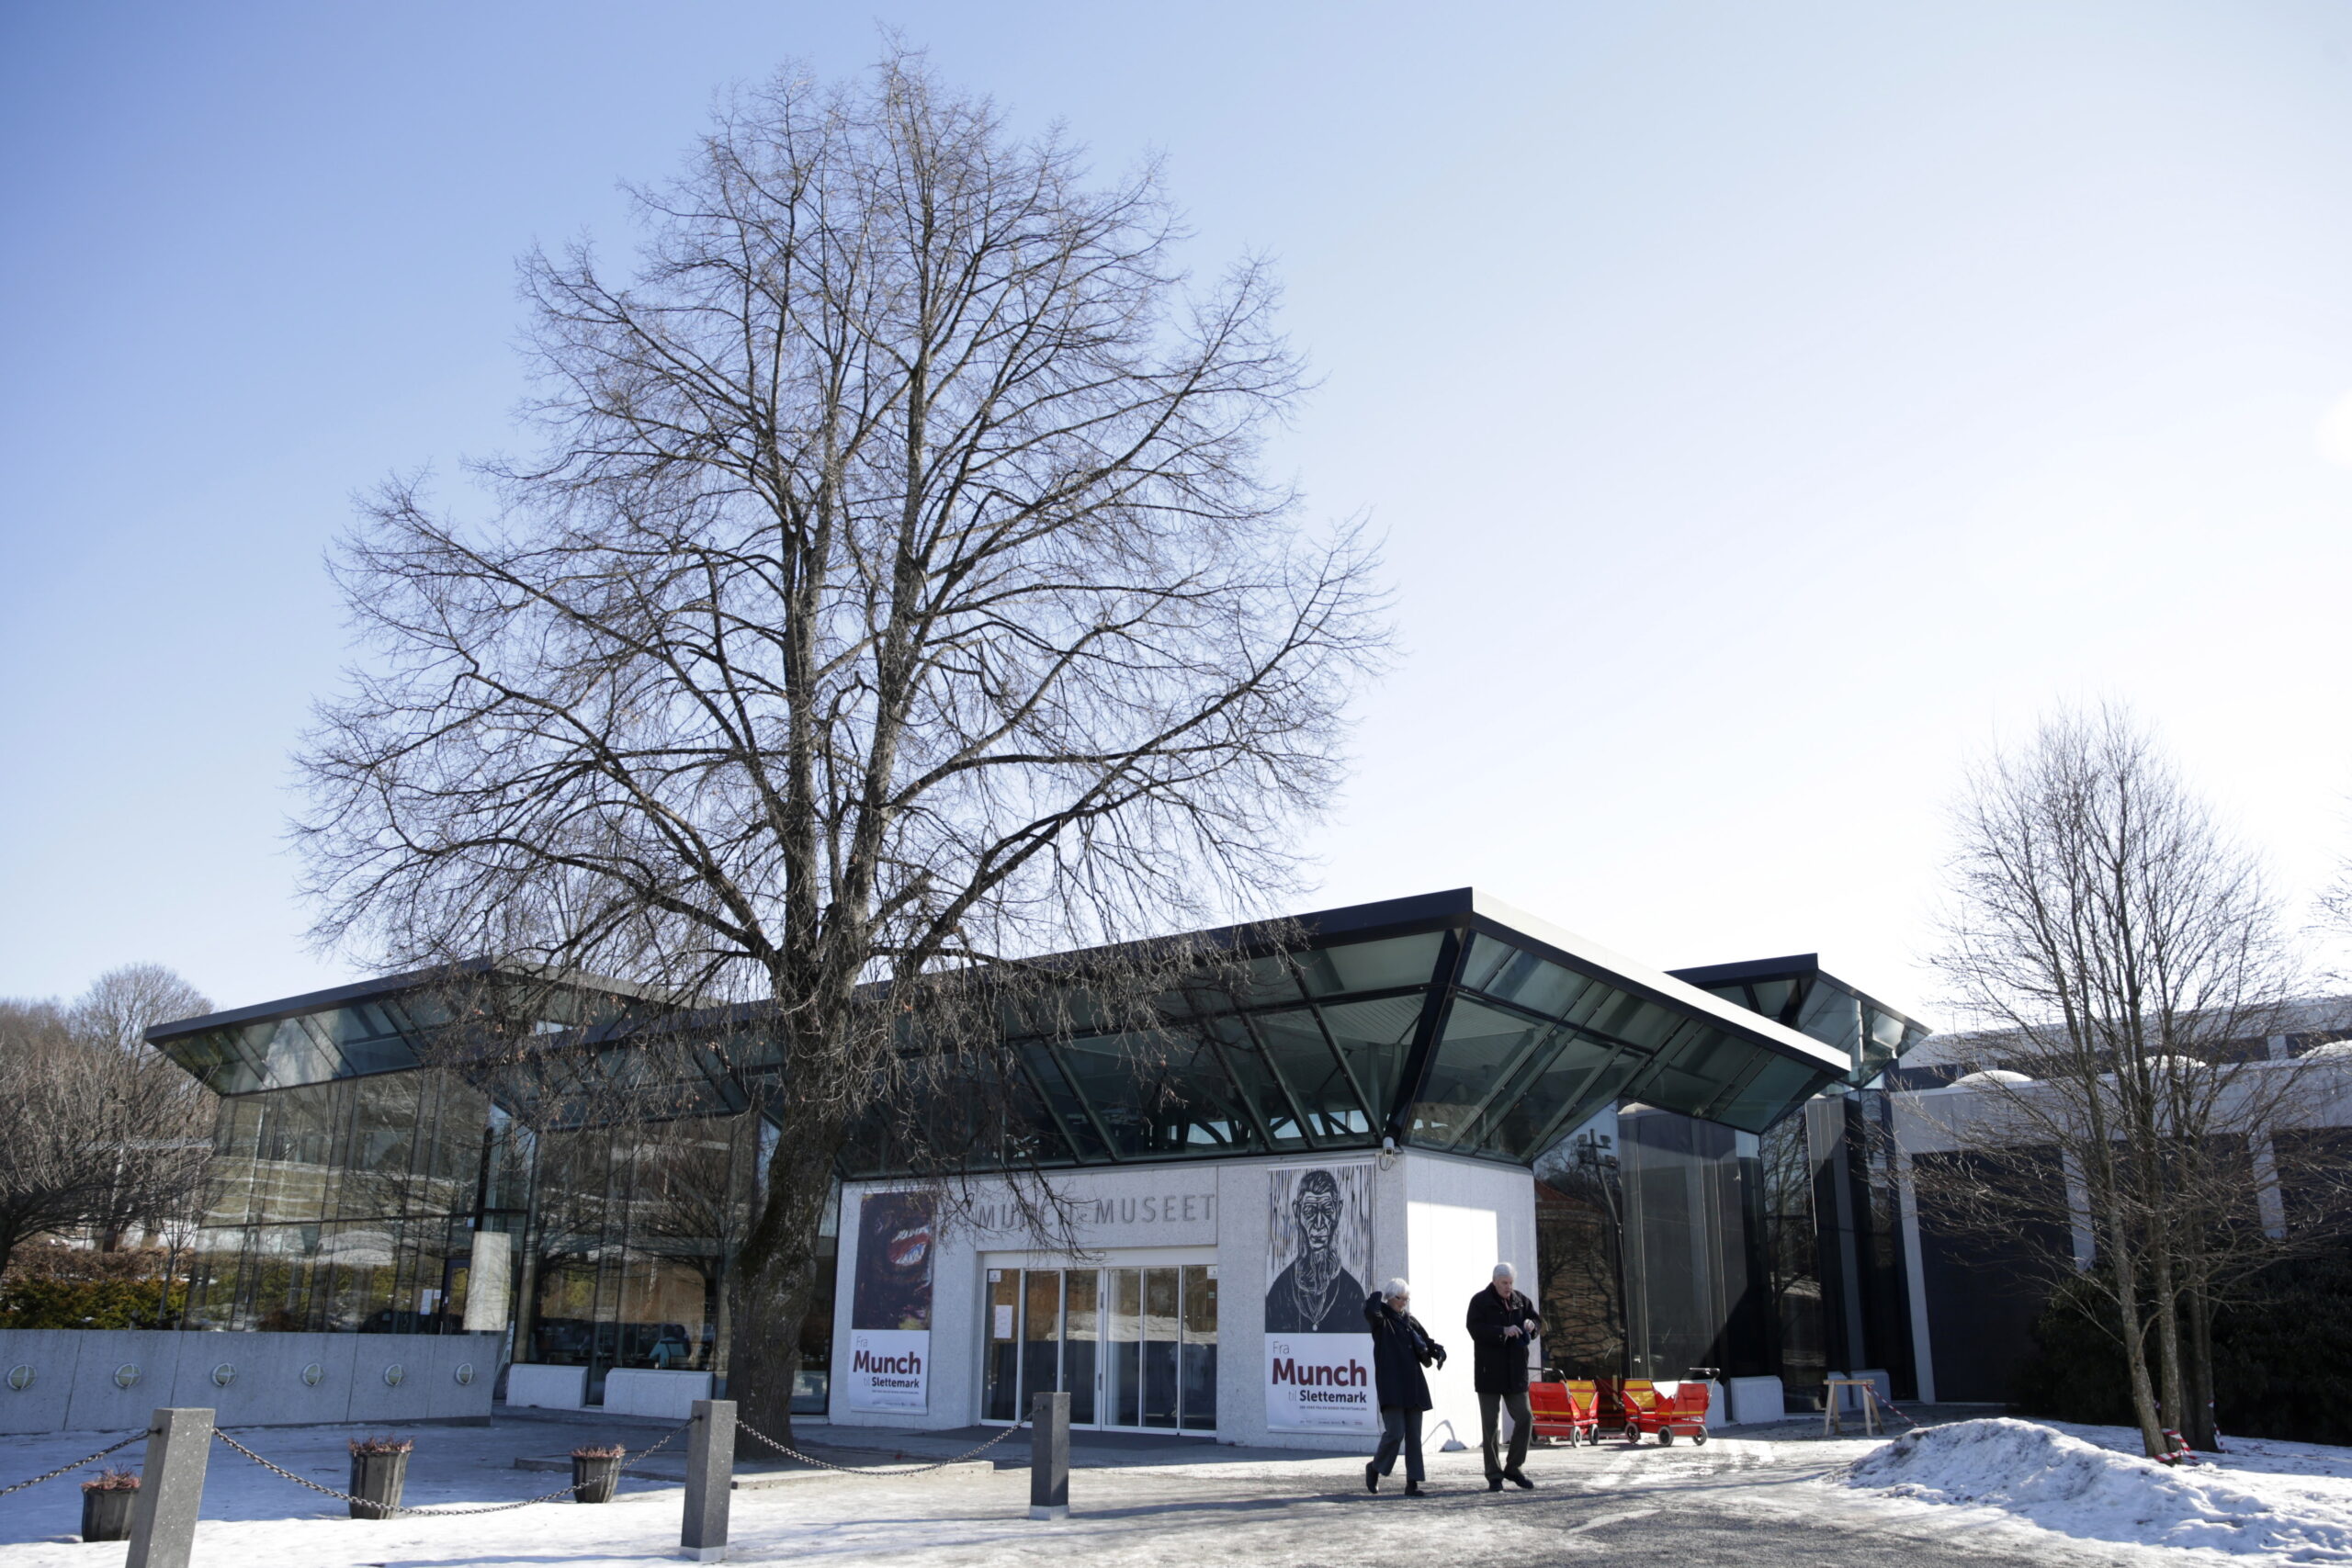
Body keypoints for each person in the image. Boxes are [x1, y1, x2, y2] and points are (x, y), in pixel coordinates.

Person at [1465, 1262, 1545, 1491]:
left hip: (1516, 1372)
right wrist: (1502, 1331)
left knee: (1525, 1417)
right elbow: (1474, 1329)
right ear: (1494, 1281)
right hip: (1488, 1372)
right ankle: (1494, 1475)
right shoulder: (1480, 1301)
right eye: (1504, 1283)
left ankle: (1514, 1467)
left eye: (1511, 1283)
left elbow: (1537, 1321)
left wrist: (1532, 1325)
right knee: (1490, 1426)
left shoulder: (1521, 1300)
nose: (1508, 1287)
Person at [1363, 1278, 1445, 1497]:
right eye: (1400, 1299)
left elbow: (1426, 1341)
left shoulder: (1410, 1320)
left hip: (1414, 1384)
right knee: (1395, 1432)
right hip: (1391, 1385)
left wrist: (1438, 1351)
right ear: (1391, 1297)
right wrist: (1377, 1293)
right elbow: (1370, 1310)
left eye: (1407, 1300)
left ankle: (1413, 1483)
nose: (1404, 1304)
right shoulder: (1381, 1319)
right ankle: (1375, 1468)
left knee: (1414, 1435)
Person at [1264, 1168, 1367, 1332]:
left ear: (1338, 1211)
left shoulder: (1352, 1293)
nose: (1319, 1223)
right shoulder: (1280, 1291)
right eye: (1310, 1211)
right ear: (1297, 1211)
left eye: (1327, 1211)